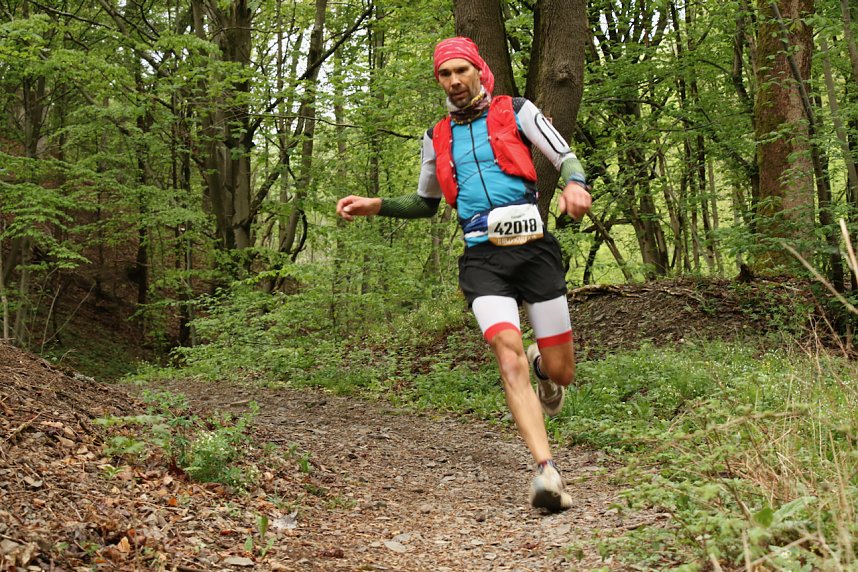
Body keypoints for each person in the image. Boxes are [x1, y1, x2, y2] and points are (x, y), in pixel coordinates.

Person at [336, 37, 592, 512]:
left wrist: (575, 185)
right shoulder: (436, 137)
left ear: (479, 71)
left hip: (534, 251)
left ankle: (545, 369)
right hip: (482, 258)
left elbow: (565, 156)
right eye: (444, 74)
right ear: (439, 80)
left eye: (461, 71)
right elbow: (425, 202)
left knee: (561, 370)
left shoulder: (517, 110)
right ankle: (546, 471)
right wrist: (377, 205)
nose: (454, 81)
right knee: (506, 353)